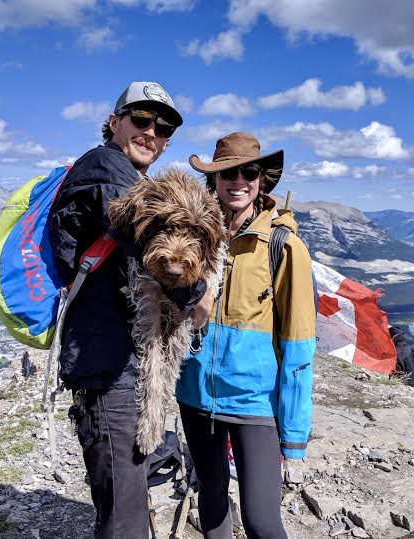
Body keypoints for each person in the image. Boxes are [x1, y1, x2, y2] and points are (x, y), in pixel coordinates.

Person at [48, 81, 212, 539]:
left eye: (162, 129)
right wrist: (197, 296)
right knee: (125, 518)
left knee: (130, 497)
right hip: (106, 367)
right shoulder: (106, 171)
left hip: (119, 365)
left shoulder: (126, 175)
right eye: (141, 120)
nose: (151, 133)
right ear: (115, 121)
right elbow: (147, 240)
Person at [175, 132, 317, 538]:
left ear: (261, 179)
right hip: (194, 395)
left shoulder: (284, 246)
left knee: (261, 520)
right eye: (227, 173)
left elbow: (299, 346)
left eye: (248, 172)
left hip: (256, 403)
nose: (238, 181)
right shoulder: (193, 238)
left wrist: (293, 438)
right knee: (213, 500)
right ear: (213, 181)